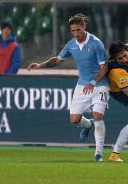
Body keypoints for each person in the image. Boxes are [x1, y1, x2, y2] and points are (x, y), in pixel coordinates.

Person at [27, 13, 109, 162]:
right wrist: (40, 65)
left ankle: (98, 154)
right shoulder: (71, 44)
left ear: (84, 26)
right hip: (82, 85)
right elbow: (57, 60)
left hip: (100, 85)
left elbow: (105, 67)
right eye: (73, 31)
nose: (76, 34)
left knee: (98, 117)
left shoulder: (96, 43)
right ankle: (87, 124)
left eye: (78, 30)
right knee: (75, 119)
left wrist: (94, 82)